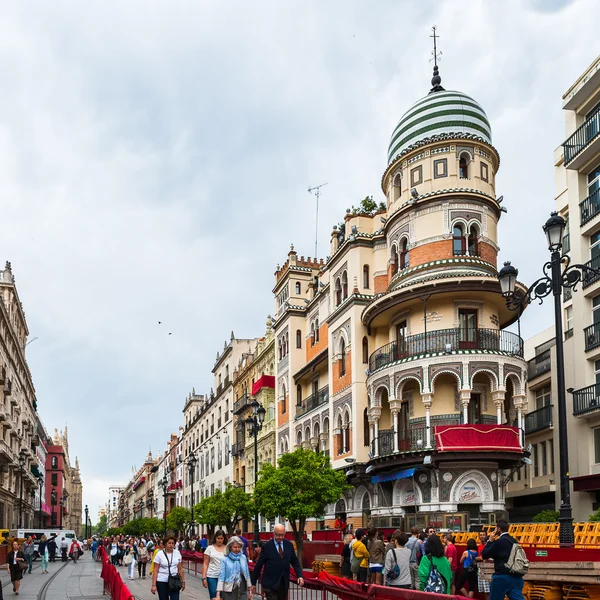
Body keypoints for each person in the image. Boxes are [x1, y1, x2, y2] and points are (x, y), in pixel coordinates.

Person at [251, 524, 304, 600]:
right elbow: (259, 564)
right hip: (270, 584)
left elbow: (295, 561)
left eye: (282, 535)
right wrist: (253, 583)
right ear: (274, 533)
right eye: (278, 535)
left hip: (283, 583)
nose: (280, 537)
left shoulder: (289, 545)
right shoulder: (267, 546)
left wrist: (300, 575)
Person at [481, 520, 525, 600]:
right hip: (516, 577)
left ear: (498, 529)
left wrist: (490, 541)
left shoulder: (499, 542)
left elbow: (484, 554)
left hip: (502, 577)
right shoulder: (514, 541)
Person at [151, 536, 185, 600]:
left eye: (173, 543)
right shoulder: (159, 554)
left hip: (174, 580)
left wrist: (183, 581)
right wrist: (153, 585)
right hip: (162, 581)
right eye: (169, 543)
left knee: (175, 598)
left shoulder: (177, 553)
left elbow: (180, 568)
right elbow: (156, 570)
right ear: (165, 544)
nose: (171, 545)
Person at [203, 530, 227, 599]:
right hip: (212, 575)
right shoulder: (210, 548)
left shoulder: (227, 549)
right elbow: (205, 563)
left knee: (222, 597)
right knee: (213, 596)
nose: (220, 540)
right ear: (215, 538)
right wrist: (203, 577)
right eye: (218, 538)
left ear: (224, 539)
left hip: (224, 576)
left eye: (221, 538)